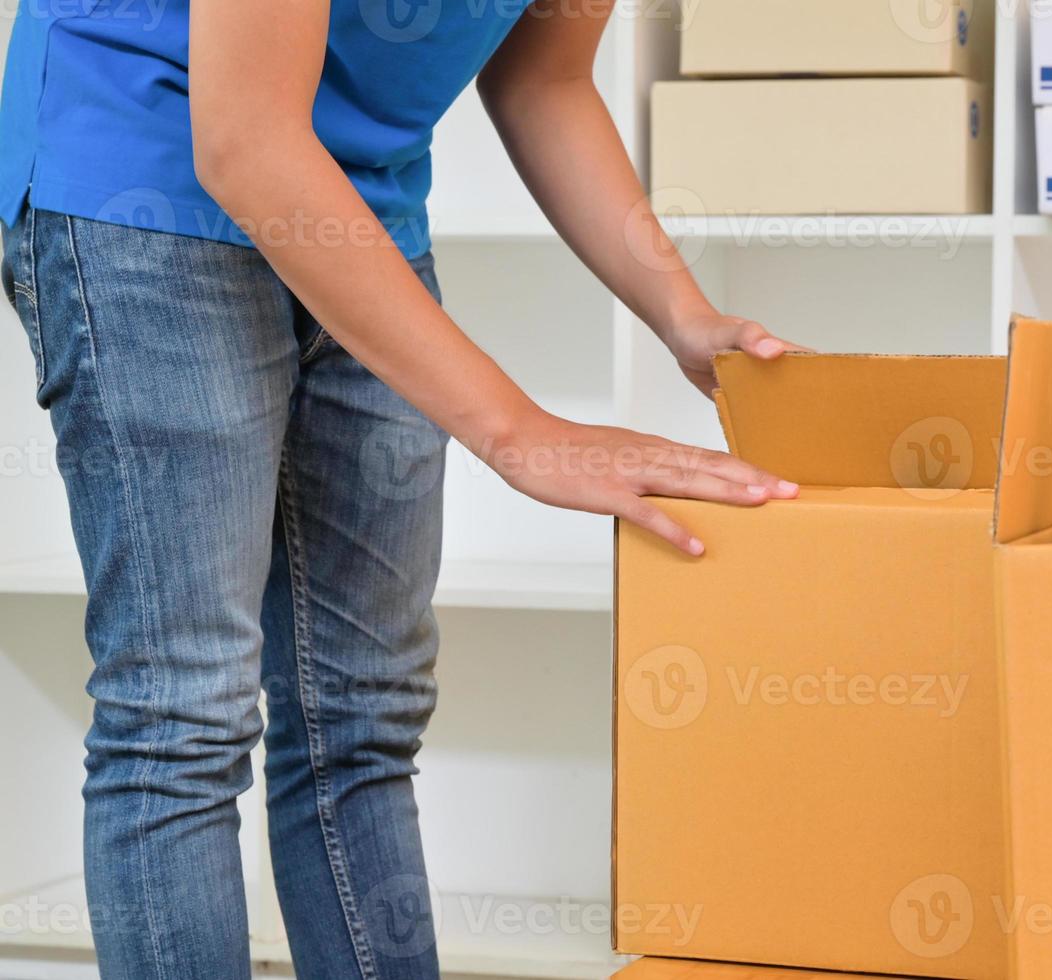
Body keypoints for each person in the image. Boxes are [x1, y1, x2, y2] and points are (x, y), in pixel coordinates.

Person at [0, 1, 803, 977]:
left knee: (362, 707)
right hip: (142, 178)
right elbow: (246, 140)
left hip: (354, 201)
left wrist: (682, 311)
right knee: (184, 708)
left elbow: (542, 78)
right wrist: (520, 432)